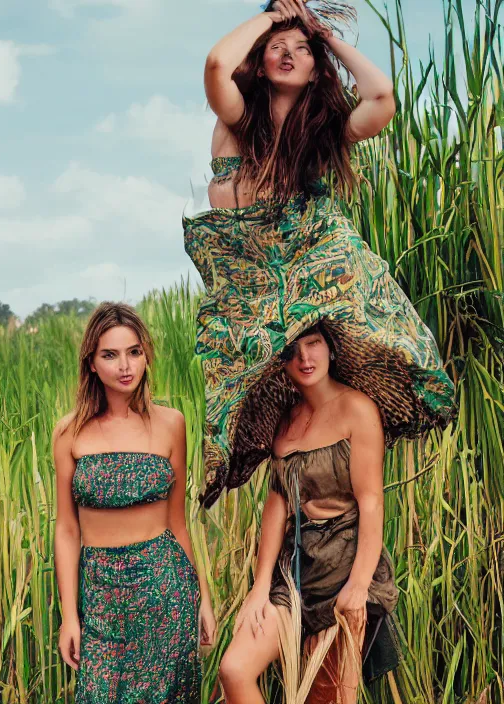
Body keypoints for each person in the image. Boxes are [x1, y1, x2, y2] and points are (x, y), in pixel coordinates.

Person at [182, 0, 456, 698]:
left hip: (305, 264)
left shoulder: (323, 128)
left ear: (317, 66)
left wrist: (326, 36)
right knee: (238, 385)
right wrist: (274, 15)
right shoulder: (240, 117)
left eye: (300, 48)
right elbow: (216, 63)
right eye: (276, 43)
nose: (287, 51)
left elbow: (384, 99)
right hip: (250, 271)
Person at [219, 323, 400, 703]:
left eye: (313, 344)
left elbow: (371, 503)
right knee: (234, 670)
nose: (305, 358)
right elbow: (278, 505)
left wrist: (359, 585)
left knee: (328, 697)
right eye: (293, 349)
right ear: (280, 362)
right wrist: (259, 586)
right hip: (297, 569)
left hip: (345, 565)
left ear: (330, 348)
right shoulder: (284, 422)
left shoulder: (357, 409)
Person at [53, 302, 216, 703]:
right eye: (110, 355)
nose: (125, 365)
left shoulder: (171, 423)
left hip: (165, 589)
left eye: (134, 352)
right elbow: (67, 529)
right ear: (91, 363)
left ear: (145, 355)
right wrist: (69, 616)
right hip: (100, 594)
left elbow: (178, 525)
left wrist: (204, 600)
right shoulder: (69, 432)